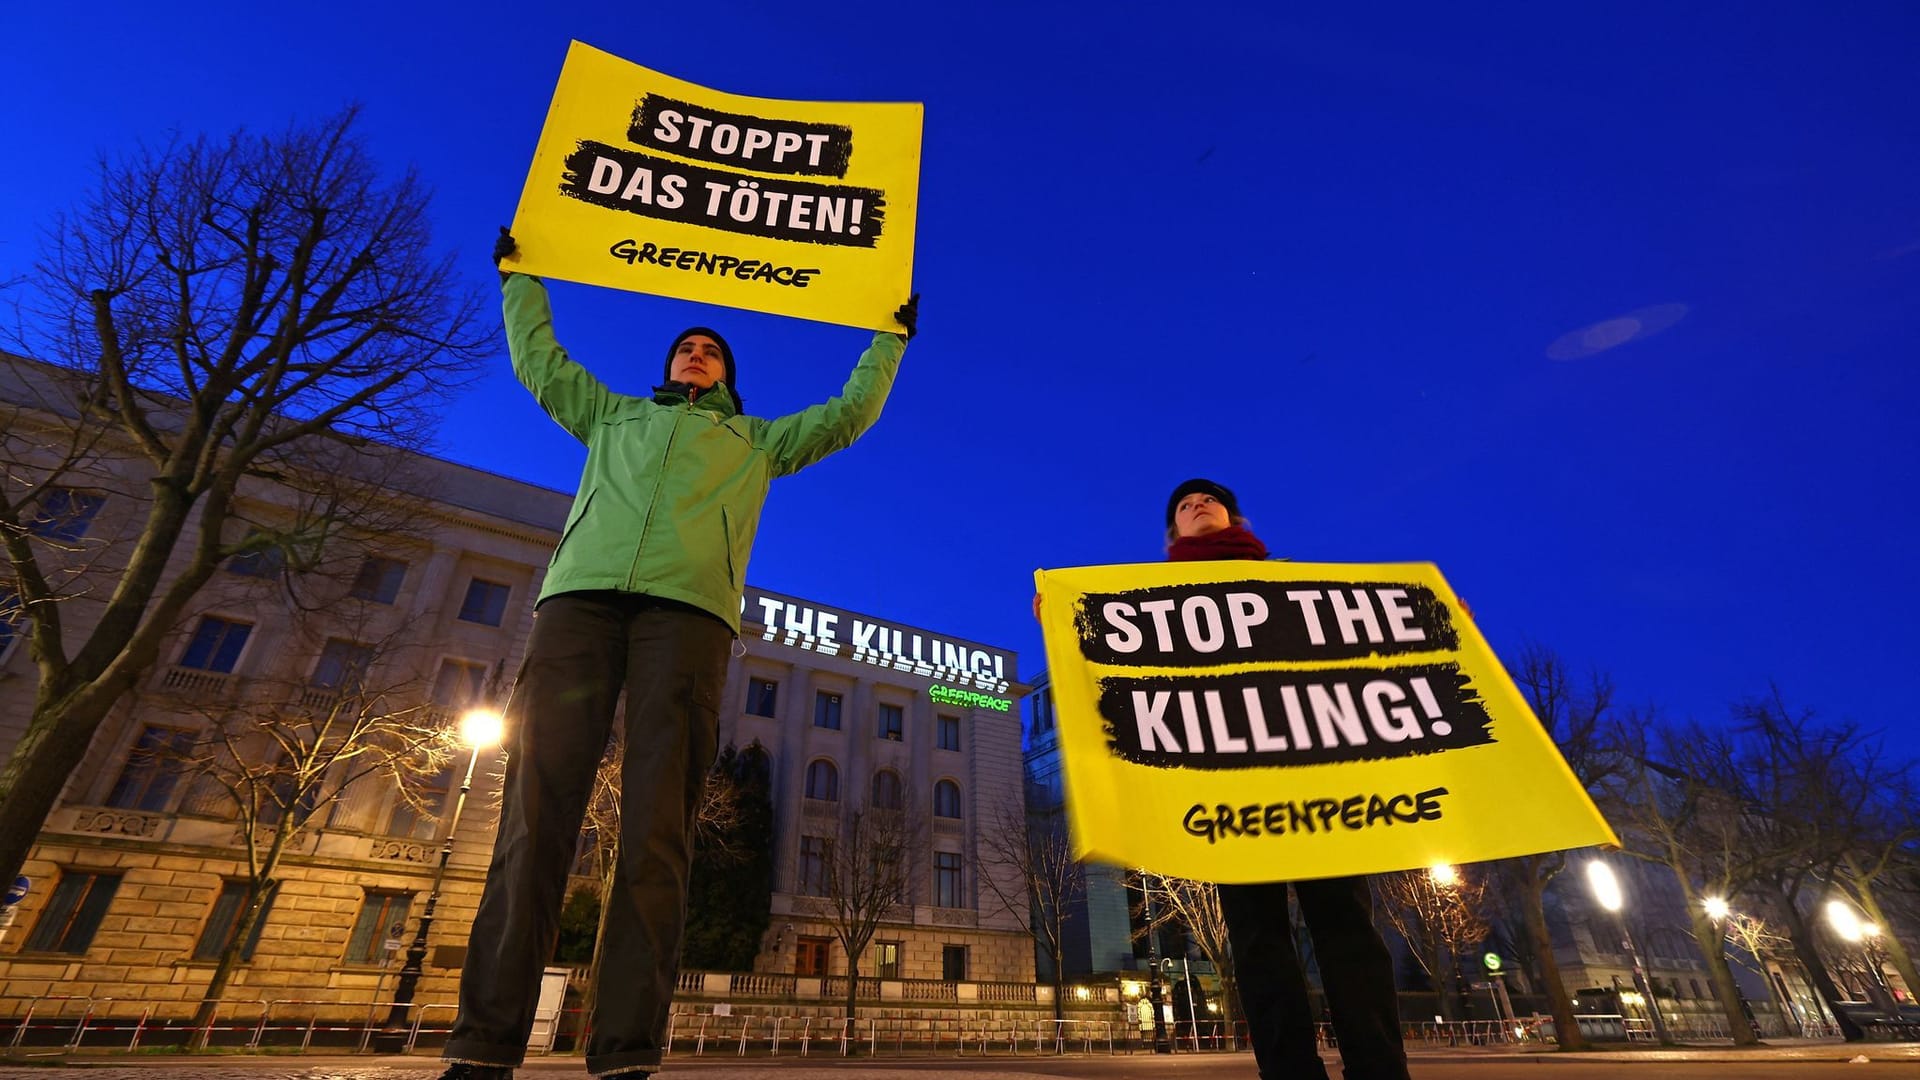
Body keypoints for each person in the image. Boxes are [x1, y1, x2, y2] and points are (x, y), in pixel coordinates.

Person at [440, 230, 917, 1080]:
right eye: (686, 347)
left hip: (688, 618)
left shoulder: (760, 443)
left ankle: (624, 1052)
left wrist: (889, 339)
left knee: (659, 828)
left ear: (729, 376)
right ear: (671, 367)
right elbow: (541, 363)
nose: (698, 354)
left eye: (712, 350)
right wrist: (522, 275)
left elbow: (848, 418)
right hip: (579, 605)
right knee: (535, 814)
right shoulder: (612, 414)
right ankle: (482, 1047)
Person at [1163, 478, 1411, 1080]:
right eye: (1183, 507)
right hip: (1228, 786)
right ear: (1172, 532)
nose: (1195, 507)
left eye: (1207, 501)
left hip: (1315, 778)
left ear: (1233, 518)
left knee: (1348, 928)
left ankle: (1379, 1067)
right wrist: (1065, 620)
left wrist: (1429, 617)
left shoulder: (1290, 577)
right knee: (1256, 940)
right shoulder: (1154, 600)